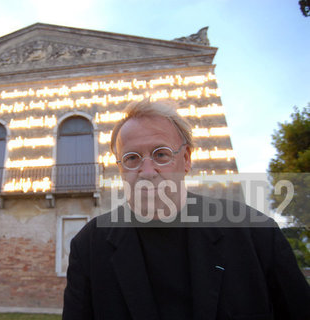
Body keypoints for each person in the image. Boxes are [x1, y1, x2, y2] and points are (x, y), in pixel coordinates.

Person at [62, 99, 310, 319]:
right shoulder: (89, 246)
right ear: (121, 168)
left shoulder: (255, 231)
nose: (147, 172)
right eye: (132, 158)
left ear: (186, 159)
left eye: (161, 155)